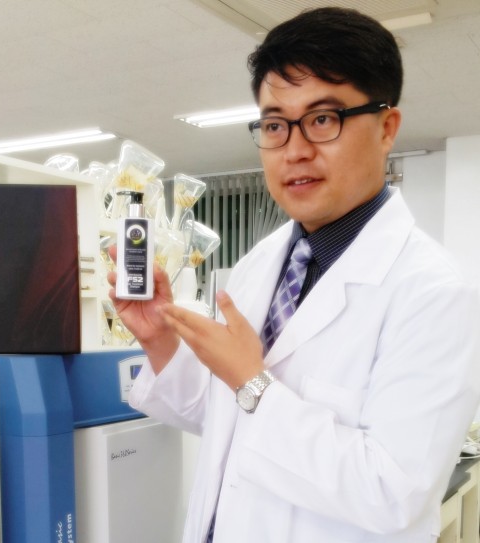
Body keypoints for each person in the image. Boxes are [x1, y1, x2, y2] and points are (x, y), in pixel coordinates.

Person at [108, 7, 480, 543]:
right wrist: (160, 340)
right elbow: (227, 419)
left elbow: (393, 494)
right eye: (275, 125)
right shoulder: (260, 265)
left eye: (324, 119)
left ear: (386, 129)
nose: (295, 150)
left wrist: (253, 383)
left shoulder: (433, 292)